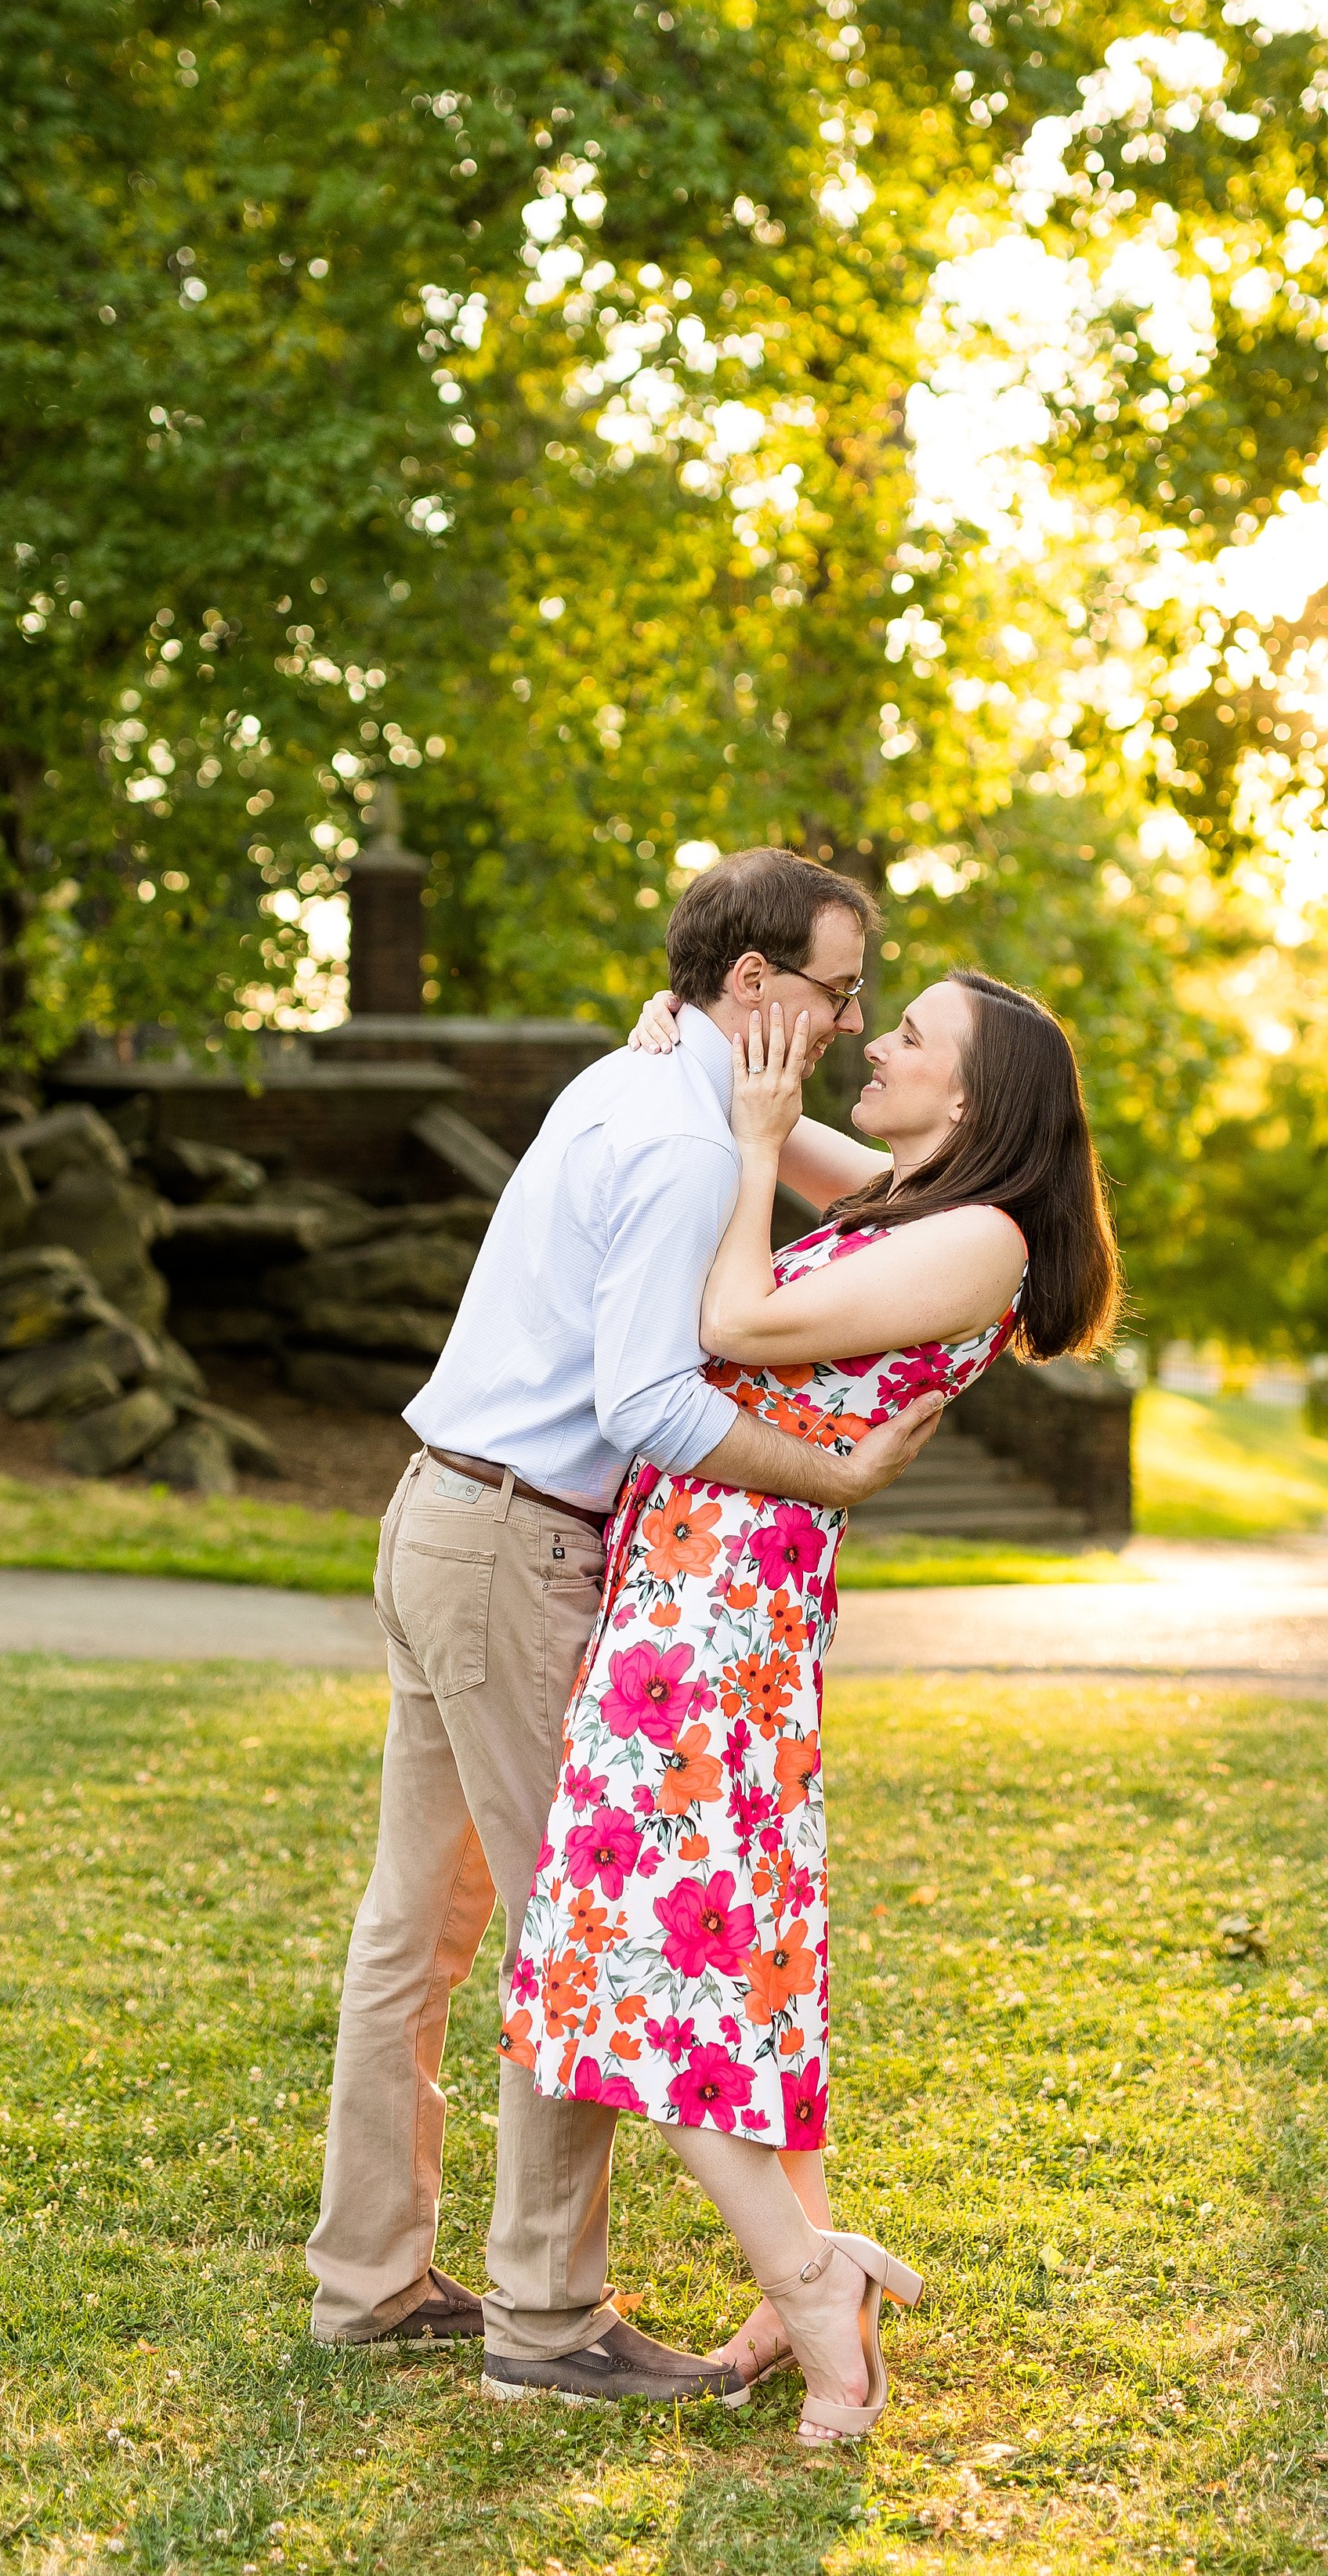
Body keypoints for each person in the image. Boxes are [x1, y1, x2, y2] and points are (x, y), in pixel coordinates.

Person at [305, 849, 950, 2408]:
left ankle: (368, 2279)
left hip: (438, 1515)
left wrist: (807, 1140)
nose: (854, 1020)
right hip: (518, 1549)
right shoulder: (676, 1141)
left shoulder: (641, 1080)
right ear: (753, 986)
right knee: (570, 1939)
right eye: (837, 988)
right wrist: (842, 1470)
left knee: (420, 1926)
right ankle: (545, 2324)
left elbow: (883, 1208)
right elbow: (650, 1405)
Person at [508, 965, 1120, 2441]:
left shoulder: (974, 1239)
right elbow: (745, 1112)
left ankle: (812, 2295)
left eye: (910, 1034)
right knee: (740, 1954)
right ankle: (810, 2268)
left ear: (971, 1098)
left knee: (645, 1957)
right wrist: (680, 1046)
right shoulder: (918, 1199)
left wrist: (758, 1128)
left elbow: (726, 1312)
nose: (877, 1042)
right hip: (697, 1590)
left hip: (721, 1613)